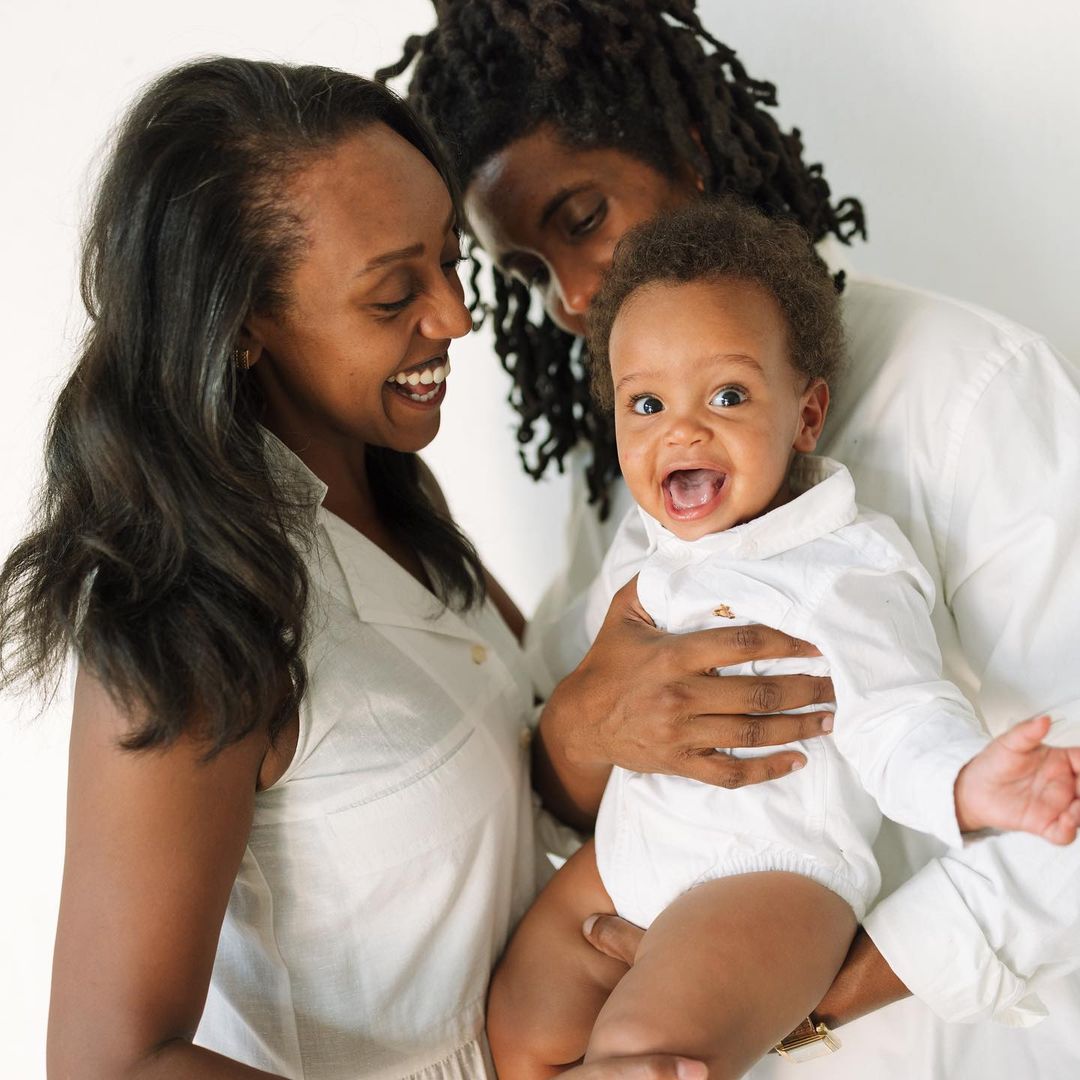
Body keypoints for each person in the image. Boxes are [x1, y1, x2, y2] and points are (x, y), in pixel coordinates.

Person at [0, 56, 775, 1080]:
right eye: (394, 293)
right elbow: (111, 1066)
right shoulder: (186, 615)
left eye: (451, 261)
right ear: (242, 327)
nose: (456, 317)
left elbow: (523, 780)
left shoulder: (394, 509)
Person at [382, 2, 1080, 1076]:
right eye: (525, 271)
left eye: (581, 216)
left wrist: (807, 989)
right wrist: (579, 729)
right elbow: (574, 742)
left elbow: (1064, 785)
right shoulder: (641, 472)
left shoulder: (967, 387)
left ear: (691, 147)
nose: (571, 295)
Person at [486, 198, 1080, 1078]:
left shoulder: (845, 567)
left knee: (643, 1051)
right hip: (636, 850)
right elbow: (560, 689)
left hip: (765, 869)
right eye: (645, 403)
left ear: (806, 416)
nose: (681, 428)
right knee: (521, 1034)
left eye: (727, 396)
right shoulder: (648, 549)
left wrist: (965, 784)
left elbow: (901, 713)